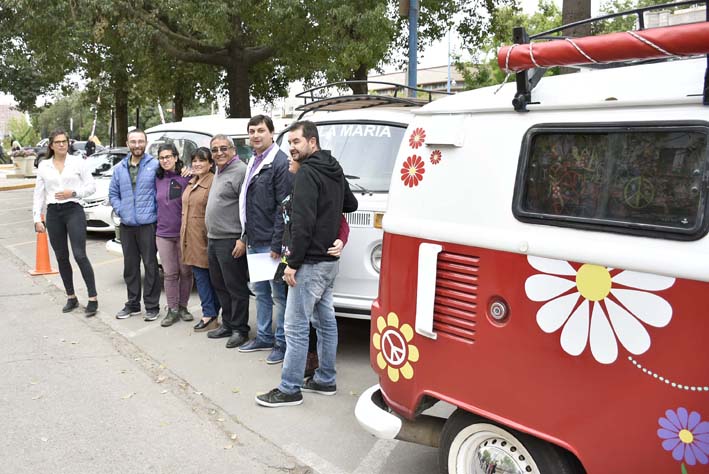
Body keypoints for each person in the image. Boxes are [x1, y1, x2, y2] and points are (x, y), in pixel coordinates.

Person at [256, 120, 358, 408]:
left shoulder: (307, 174)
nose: (292, 147)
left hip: (311, 262)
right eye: (289, 143)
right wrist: (330, 210)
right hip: (329, 263)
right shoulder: (333, 168)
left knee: (296, 326)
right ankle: (325, 379)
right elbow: (350, 204)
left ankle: (289, 389)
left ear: (312, 142)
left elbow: (302, 224)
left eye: (297, 142)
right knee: (325, 321)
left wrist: (293, 264)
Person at [235, 115, 292, 364]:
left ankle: (281, 343)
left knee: (278, 295)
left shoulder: (279, 163)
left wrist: (277, 244)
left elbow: (284, 207)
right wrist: (245, 234)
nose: (255, 135)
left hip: (271, 243)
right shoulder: (255, 160)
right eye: (251, 131)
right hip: (255, 238)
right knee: (261, 292)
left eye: (260, 130)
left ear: (271, 132)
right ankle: (265, 336)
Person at [32, 128, 98, 316]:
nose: (61, 144)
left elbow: (91, 187)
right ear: (51, 145)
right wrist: (37, 218)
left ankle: (92, 298)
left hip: (73, 209)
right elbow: (38, 194)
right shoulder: (44, 165)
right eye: (57, 142)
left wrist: (73, 193)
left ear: (68, 143)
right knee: (61, 257)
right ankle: (71, 297)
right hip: (53, 213)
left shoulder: (78, 162)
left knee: (79, 255)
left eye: (64, 141)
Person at [109, 129, 161, 321]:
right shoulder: (120, 168)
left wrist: (155, 213)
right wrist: (121, 209)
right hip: (127, 225)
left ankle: (152, 306)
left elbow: (163, 190)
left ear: (146, 143)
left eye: (140, 141)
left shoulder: (155, 166)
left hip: (148, 224)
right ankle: (132, 304)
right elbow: (113, 193)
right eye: (133, 141)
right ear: (127, 143)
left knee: (150, 266)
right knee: (130, 267)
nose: (137, 145)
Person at [205, 134, 251, 349]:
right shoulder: (219, 171)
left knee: (236, 287)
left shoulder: (241, 171)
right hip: (214, 238)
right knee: (220, 285)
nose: (219, 153)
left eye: (224, 148)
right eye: (215, 150)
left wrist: (243, 239)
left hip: (231, 239)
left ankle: (240, 329)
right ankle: (228, 323)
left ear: (233, 150)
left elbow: (249, 209)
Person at [180, 147, 221, 332]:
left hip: (206, 238)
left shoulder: (213, 182)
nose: (196, 164)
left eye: (201, 161)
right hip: (191, 237)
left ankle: (210, 315)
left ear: (210, 163)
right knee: (201, 277)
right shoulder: (192, 181)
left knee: (209, 279)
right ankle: (210, 313)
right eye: (194, 161)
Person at [155, 143, 193, 327]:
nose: (165, 160)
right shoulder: (157, 178)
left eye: (168, 156)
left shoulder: (187, 177)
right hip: (163, 233)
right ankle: (172, 309)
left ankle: (183, 306)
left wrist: (190, 169)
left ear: (176, 157)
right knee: (170, 273)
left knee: (186, 271)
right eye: (162, 158)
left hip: (184, 233)